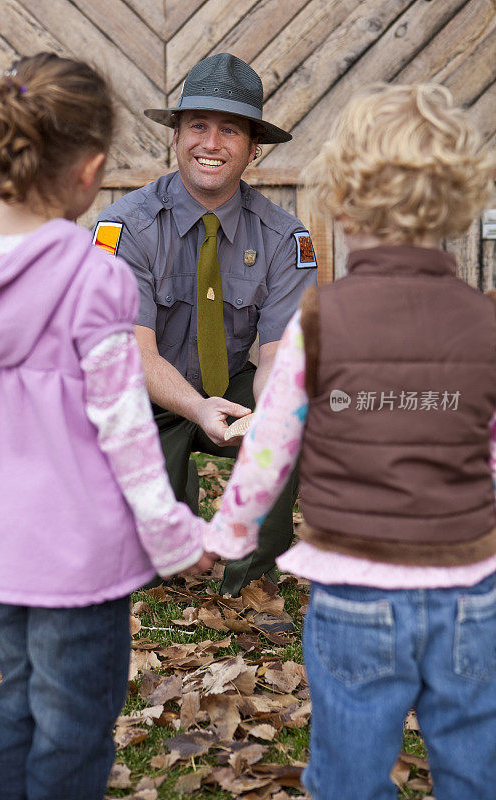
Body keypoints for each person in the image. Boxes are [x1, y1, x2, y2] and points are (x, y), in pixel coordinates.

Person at [0, 53, 212, 800]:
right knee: (75, 724)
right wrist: (179, 539)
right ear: (90, 171)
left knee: (17, 700)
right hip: (75, 557)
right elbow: (125, 432)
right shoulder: (93, 279)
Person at [204, 83, 496, 799]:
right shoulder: (484, 326)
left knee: (347, 771)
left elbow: (271, 438)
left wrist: (233, 529)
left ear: (342, 197)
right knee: (473, 764)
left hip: (355, 589)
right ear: (458, 202)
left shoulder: (319, 320)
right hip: (470, 592)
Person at [93, 52, 318, 596]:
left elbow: (275, 357)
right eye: (198, 125)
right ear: (175, 135)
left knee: (292, 415)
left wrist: (269, 415)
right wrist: (195, 407)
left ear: (252, 147)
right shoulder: (124, 227)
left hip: (233, 384)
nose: (211, 144)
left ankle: (252, 576)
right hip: (145, 396)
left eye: (229, 130)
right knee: (151, 572)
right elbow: (133, 353)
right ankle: (172, 494)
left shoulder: (286, 239)